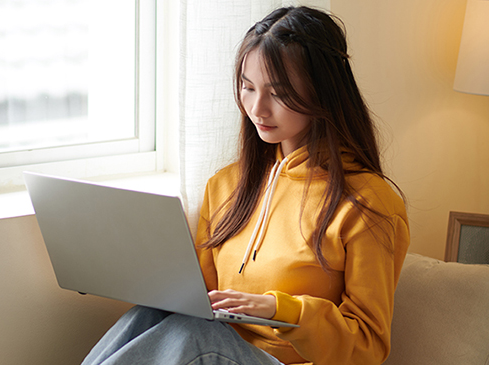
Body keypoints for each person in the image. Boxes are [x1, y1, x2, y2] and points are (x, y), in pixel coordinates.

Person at [81, 5, 409, 365]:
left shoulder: (368, 204)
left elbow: (369, 346)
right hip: (215, 352)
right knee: (150, 314)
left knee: (198, 335)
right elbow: (200, 301)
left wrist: (281, 311)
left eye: (279, 93)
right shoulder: (226, 185)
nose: (257, 108)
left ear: (322, 91)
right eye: (247, 88)